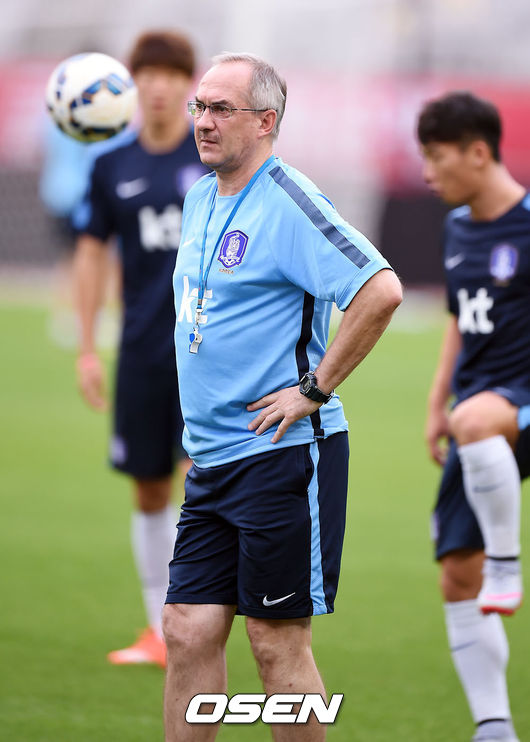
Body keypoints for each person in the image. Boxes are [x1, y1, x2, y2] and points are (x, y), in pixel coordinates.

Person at [162, 52, 402, 741]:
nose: (203, 121)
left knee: (274, 642)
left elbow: (380, 290)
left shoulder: (291, 201)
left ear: (265, 121)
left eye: (221, 109)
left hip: (282, 455)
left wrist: (313, 389)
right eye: (199, 106)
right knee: (186, 628)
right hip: (211, 459)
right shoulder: (199, 196)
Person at [73, 30, 209, 668]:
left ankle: (200, 619)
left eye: (171, 75)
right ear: (132, 83)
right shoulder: (111, 165)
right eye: (147, 74)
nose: (158, 86)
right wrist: (86, 347)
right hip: (141, 352)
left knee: (202, 482)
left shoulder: (211, 158)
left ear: (188, 85)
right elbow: (91, 253)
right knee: (148, 489)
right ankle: (160, 629)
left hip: (208, 352)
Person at [418, 91, 530, 742]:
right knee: (458, 572)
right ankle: (494, 727)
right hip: (477, 414)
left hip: (516, 402)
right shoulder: (457, 227)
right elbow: (460, 319)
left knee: (479, 420)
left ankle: (508, 566)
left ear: (479, 152)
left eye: (437, 157)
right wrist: (438, 400)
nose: (428, 173)